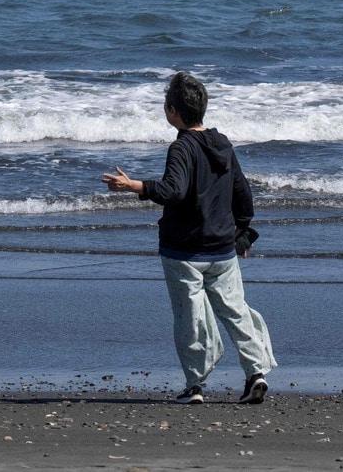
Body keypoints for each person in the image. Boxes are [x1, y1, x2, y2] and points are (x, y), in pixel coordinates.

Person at [102, 72, 276, 405]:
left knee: (191, 318)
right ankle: (256, 373)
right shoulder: (223, 143)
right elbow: (244, 196)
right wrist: (241, 235)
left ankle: (195, 386)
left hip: (184, 252)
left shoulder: (181, 146)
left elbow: (173, 191)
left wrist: (132, 185)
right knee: (236, 312)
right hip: (222, 250)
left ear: (173, 112)